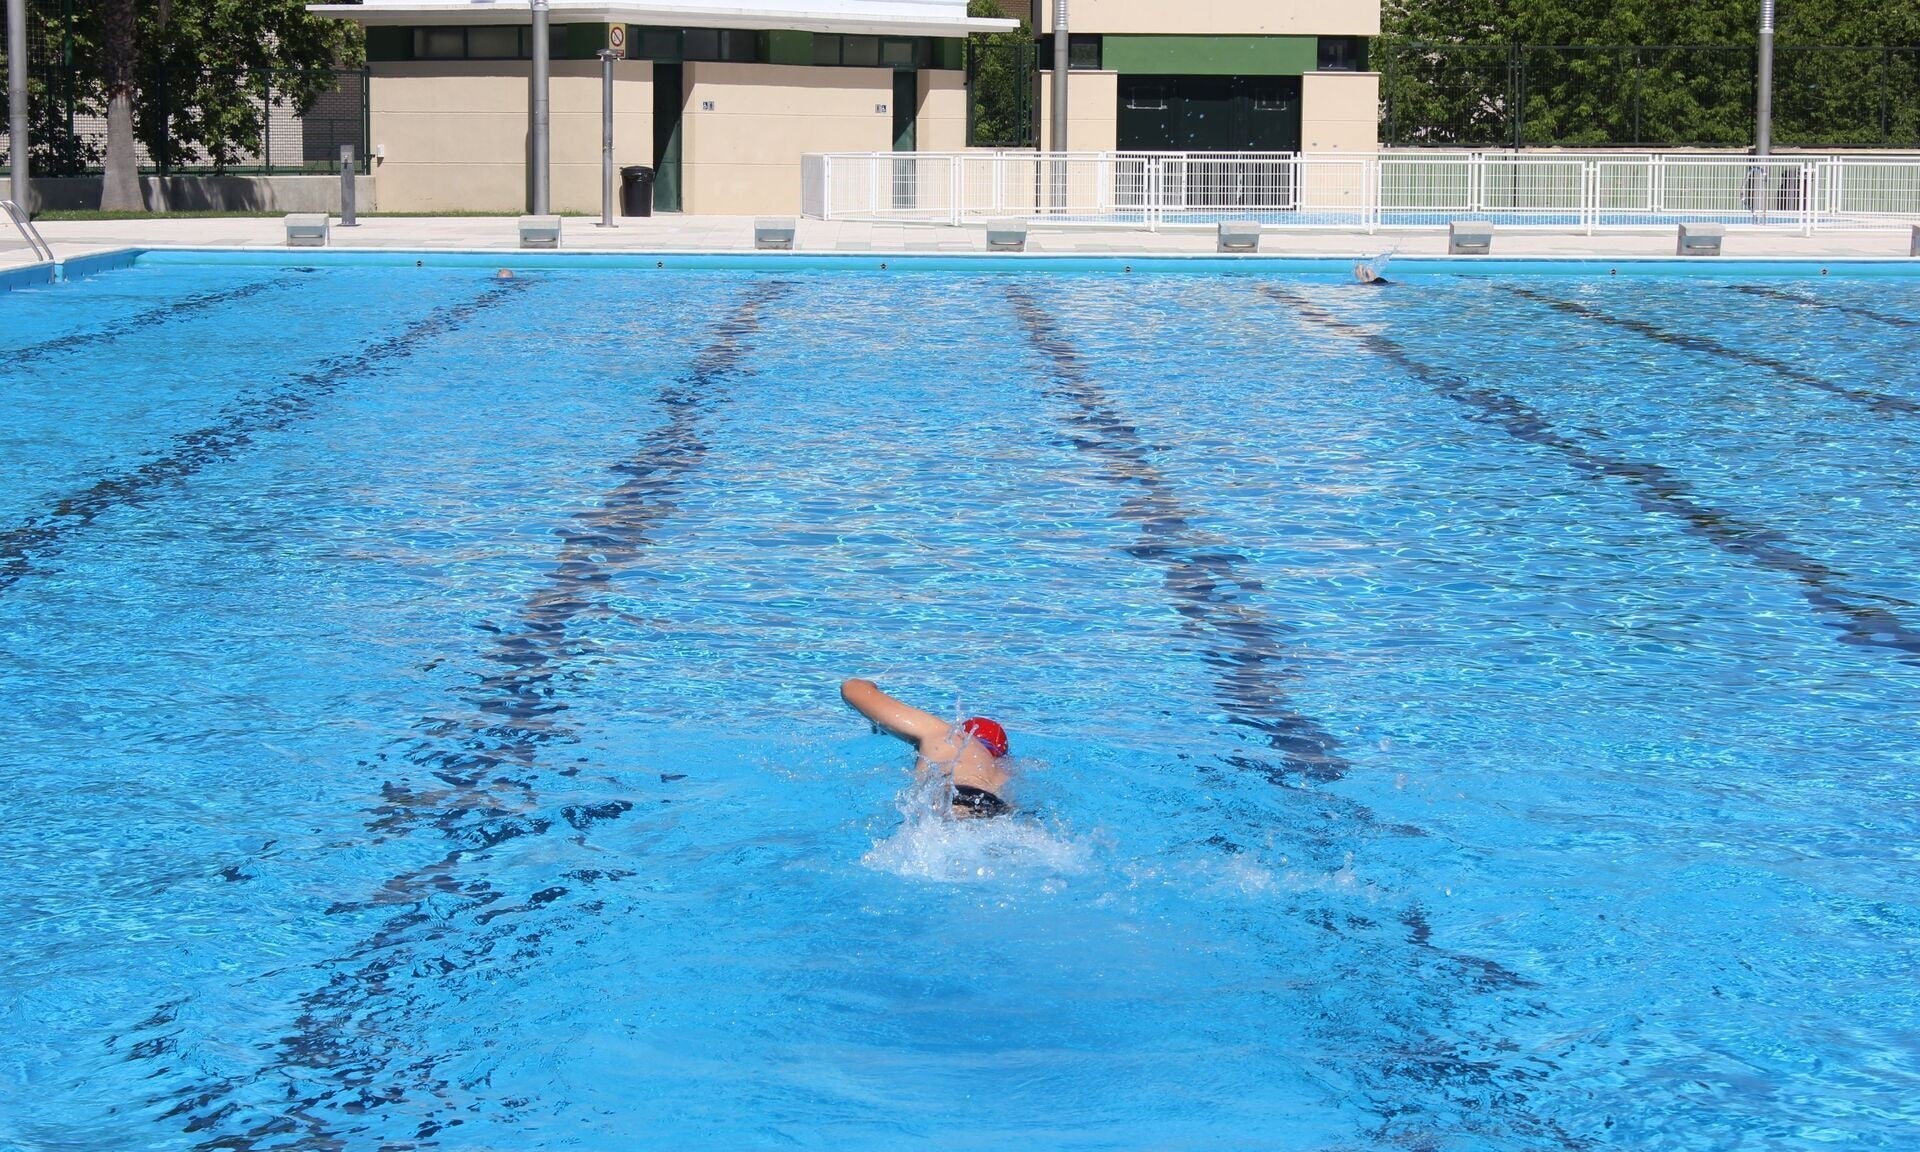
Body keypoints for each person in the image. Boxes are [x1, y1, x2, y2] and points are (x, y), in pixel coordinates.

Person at [840, 678, 1012, 818]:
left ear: (962, 732)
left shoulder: (947, 735)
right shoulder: (1002, 771)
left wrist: (871, 691)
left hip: (953, 798)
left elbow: (853, 689)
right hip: (997, 809)